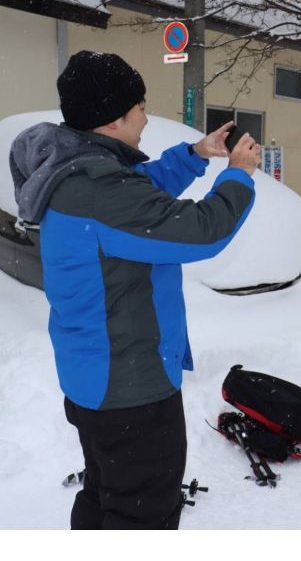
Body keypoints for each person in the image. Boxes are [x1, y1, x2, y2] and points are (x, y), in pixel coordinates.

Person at [9, 51, 262, 529]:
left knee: (105, 495)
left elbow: (137, 188)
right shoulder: (101, 193)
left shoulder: (76, 172)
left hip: (95, 380)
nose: (146, 115)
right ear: (113, 120)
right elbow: (204, 230)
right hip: (130, 392)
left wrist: (195, 155)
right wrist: (238, 174)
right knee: (142, 516)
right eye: (140, 106)